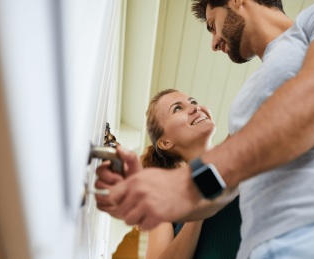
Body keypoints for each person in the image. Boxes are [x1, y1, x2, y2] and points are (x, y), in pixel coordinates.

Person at [96, 0, 314, 258]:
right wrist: (147, 194)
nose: (213, 41)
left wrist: (186, 184)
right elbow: (223, 187)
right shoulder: (248, 98)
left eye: (213, 24)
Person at [97, 89, 241, 259]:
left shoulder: (239, 145)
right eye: (177, 109)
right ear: (165, 142)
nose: (195, 108)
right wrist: (198, 211)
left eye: (193, 101)